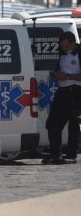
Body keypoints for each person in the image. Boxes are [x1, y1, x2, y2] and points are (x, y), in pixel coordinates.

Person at [43, 31, 81, 164]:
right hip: (62, 91)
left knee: (74, 125)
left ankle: (71, 155)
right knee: (52, 124)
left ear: (73, 42)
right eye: (62, 47)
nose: (64, 49)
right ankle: (55, 154)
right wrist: (56, 74)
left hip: (76, 92)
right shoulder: (61, 53)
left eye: (66, 46)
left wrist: (68, 77)